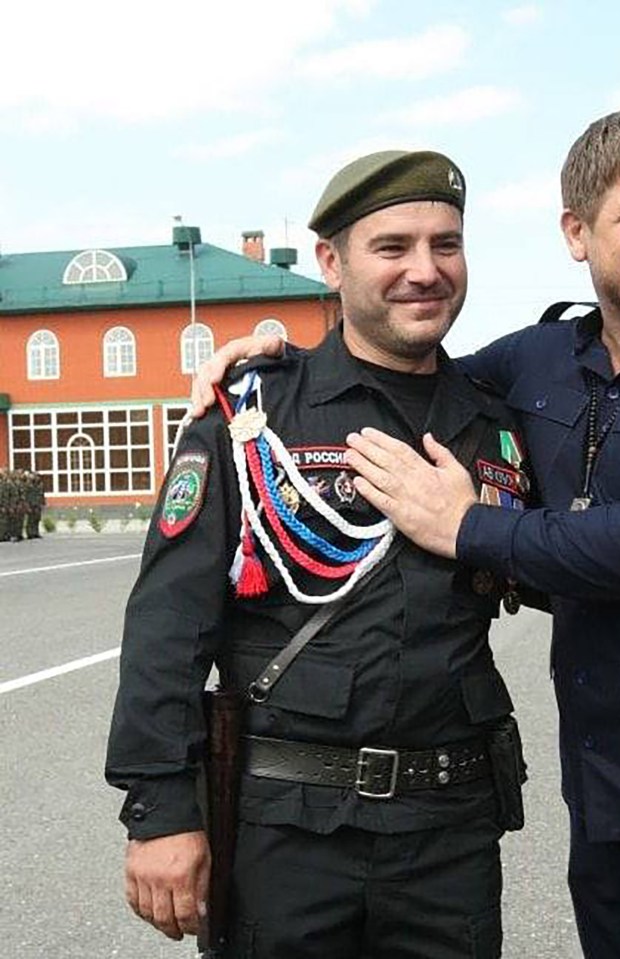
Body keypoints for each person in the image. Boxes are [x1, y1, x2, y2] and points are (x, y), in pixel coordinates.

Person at [194, 105, 620, 959]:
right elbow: (403, 372)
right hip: (615, 808)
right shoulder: (543, 358)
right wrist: (278, 366)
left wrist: (468, 527)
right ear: (576, 233)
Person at [106, 150, 535, 959]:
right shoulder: (252, 413)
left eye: (446, 244)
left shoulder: (496, 422)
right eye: (393, 246)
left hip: (448, 835)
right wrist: (160, 811)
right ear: (331, 262)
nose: (425, 270)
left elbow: (561, 561)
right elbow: (168, 622)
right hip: (287, 836)